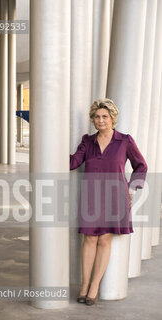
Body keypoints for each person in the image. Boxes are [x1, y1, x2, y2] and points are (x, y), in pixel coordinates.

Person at [70, 98, 148, 306]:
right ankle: (84, 285)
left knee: (104, 240)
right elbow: (74, 162)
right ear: (93, 120)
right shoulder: (87, 141)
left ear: (113, 118)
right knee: (89, 239)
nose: (100, 120)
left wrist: (132, 187)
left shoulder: (125, 141)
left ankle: (94, 286)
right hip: (91, 197)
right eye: (97, 117)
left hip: (115, 197)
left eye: (105, 116)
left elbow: (141, 165)